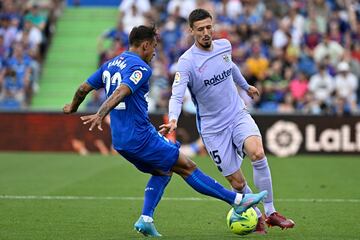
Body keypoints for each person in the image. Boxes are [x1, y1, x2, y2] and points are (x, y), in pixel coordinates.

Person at [63, 25, 267, 237]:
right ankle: (238, 201)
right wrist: (101, 112)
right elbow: (122, 91)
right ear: (145, 45)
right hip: (141, 137)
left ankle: (146, 219)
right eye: (154, 47)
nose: (154, 52)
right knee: (187, 167)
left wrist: (73, 107)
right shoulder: (141, 68)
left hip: (121, 141)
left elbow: (82, 89)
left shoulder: (109, 65)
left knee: (162, 171)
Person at [160, 9, 295, 234]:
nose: (206, 33)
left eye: (208, 27)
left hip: (237, 114)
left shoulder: (224, 46)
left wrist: (245, 86)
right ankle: (258, 216)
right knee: (237, 183)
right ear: (191, 31)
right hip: (213, 129)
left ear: (213, 26)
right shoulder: (186, 62)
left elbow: (230, 67)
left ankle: (271, 212)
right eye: (200, 29)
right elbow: (176, 94)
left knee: (258, 153)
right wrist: (173, 119)